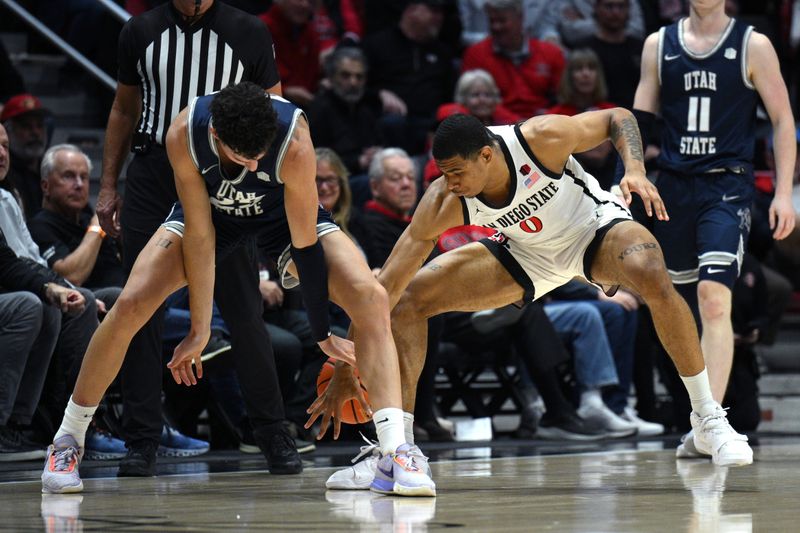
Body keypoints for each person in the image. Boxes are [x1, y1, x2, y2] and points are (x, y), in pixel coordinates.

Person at [311, 109, 754, 487]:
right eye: (443, 172)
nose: (449, 181)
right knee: (408, 301)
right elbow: (381, 292)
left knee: (650, 271)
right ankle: (397, 453)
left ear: (486, 155)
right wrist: (348, 364)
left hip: (591, 230)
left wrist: (634, 170)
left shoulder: (540, 139)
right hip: (524, 254)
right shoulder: (444, 199)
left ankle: (707, 417)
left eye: (457, 171)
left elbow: (618, 118)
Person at [41, 81, 435, 497]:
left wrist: (321, 333)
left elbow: (304, 244)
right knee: (131, 303)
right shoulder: (185, 132)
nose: (253, 166)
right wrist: (199, 328)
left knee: (371, 296)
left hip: (282, 218)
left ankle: (395, 453)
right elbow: (200, 237)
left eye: (260, 155)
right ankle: (67, 440)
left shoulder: (294, 138)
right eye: (242, 157)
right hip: (212, 217)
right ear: (216, 136)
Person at [95, 0, 290, 477]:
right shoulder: (138, 31)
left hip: (221, 173)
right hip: (155, 170)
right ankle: (142, 439)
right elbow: (124, 108)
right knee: (140, 307)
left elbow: (275, 112)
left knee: (243, 309)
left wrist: (263, 192)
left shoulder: (247, 31)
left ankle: (272, 434)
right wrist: (106, 184)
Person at [631, 0, 796, 457]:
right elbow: (638, 122)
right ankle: (700, 422)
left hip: (727, 186)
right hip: (673, 189)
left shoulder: (753, 45)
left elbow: (783, 120)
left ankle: (711, 421)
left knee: (714, 299)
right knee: (677, 307)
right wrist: (632, 170)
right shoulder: (657, 45)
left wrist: (783, 193)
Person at [461, 0, 565, 119]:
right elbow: (468, 100)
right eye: (492, 21)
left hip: (545, 124)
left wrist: (544, 121)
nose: (496, 26)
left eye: (502, 20)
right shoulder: (476, 54)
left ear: (520, 19)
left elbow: (565, 99)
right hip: (496, 125)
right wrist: (517, 123)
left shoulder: (551, 53)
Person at [0, 93, 50, 220]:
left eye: (39, 126)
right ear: (7, 131)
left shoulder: (51, 167)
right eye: (26, 126)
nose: (35, 133)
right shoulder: (4, 173)